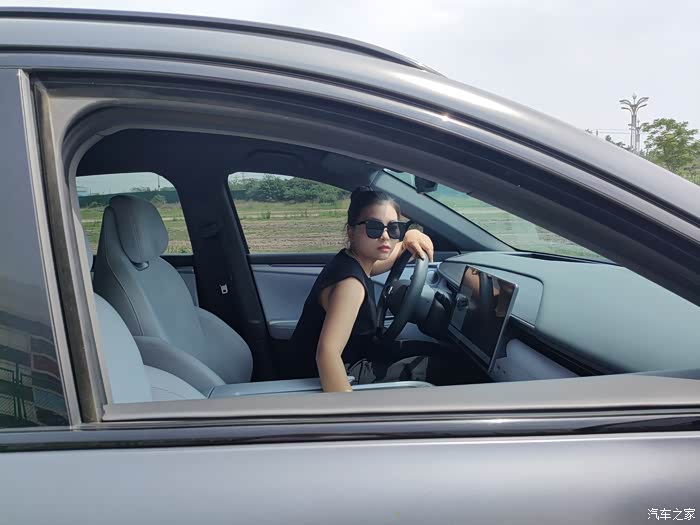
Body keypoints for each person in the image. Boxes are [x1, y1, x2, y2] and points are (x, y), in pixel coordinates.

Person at [288, 186, 442, 392]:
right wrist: (349, 408)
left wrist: (411, 235)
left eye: (394, 228)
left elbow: (391, 254)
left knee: (434, 352)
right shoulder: (350, 285)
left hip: (357, 356)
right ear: (351, 232)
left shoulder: (353, 261)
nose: (385, 236)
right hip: (342, 373)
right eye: (373, 227)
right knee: (440, 367)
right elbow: (327, 354)